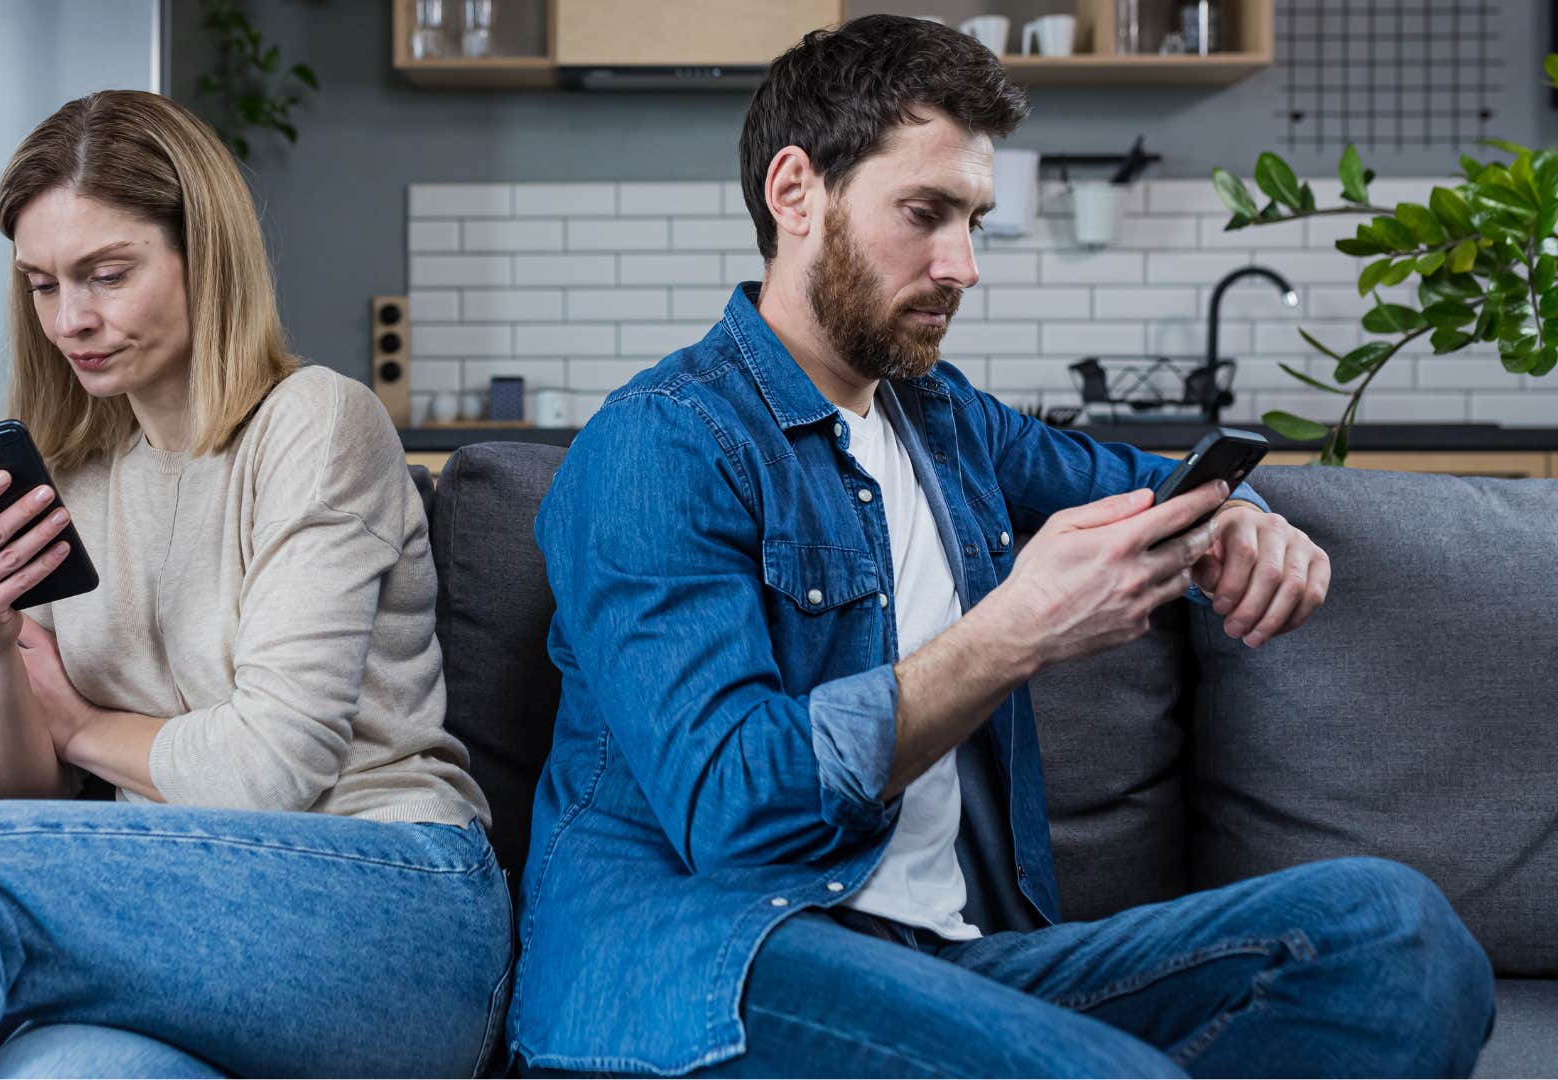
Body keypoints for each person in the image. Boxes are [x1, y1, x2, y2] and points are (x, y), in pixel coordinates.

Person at [511, 15, 1494, 1078]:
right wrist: (1014, 632)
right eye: (925, 214)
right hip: (714, 970)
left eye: (974, 219)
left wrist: (1237, 518)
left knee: (1394, 937)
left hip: (959, 962)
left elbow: (1145, 491)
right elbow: (733, 809)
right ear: (795, 193)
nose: (963, 266)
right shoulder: (662, 442)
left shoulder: (942, 418)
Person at [0, 91, 510, 1079]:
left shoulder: (314, 423)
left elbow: (270, 776)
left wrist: (84, 725)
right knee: (62, 1074)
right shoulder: (77, 474)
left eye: (107, 275)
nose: (72, 320)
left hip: (388, 904)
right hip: (190, 924)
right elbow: (22, 790)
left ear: (202, 257)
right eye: (43, 285)